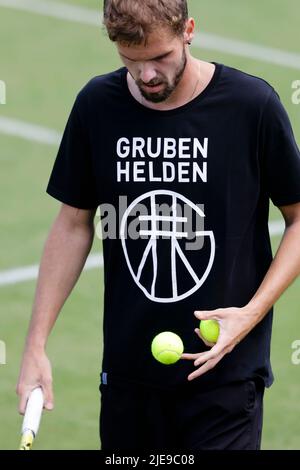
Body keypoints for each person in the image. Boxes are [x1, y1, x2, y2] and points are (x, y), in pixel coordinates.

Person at [17, 0, 300, 451]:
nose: (146, 75)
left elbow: (298, 218)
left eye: (159, 58)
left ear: (189, 30)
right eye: (130, 60)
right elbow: (72, 224)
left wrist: (249, 314)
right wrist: (35, 346)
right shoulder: (98, 105)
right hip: (129, 379)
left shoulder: (251, 106)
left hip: (224, 377)